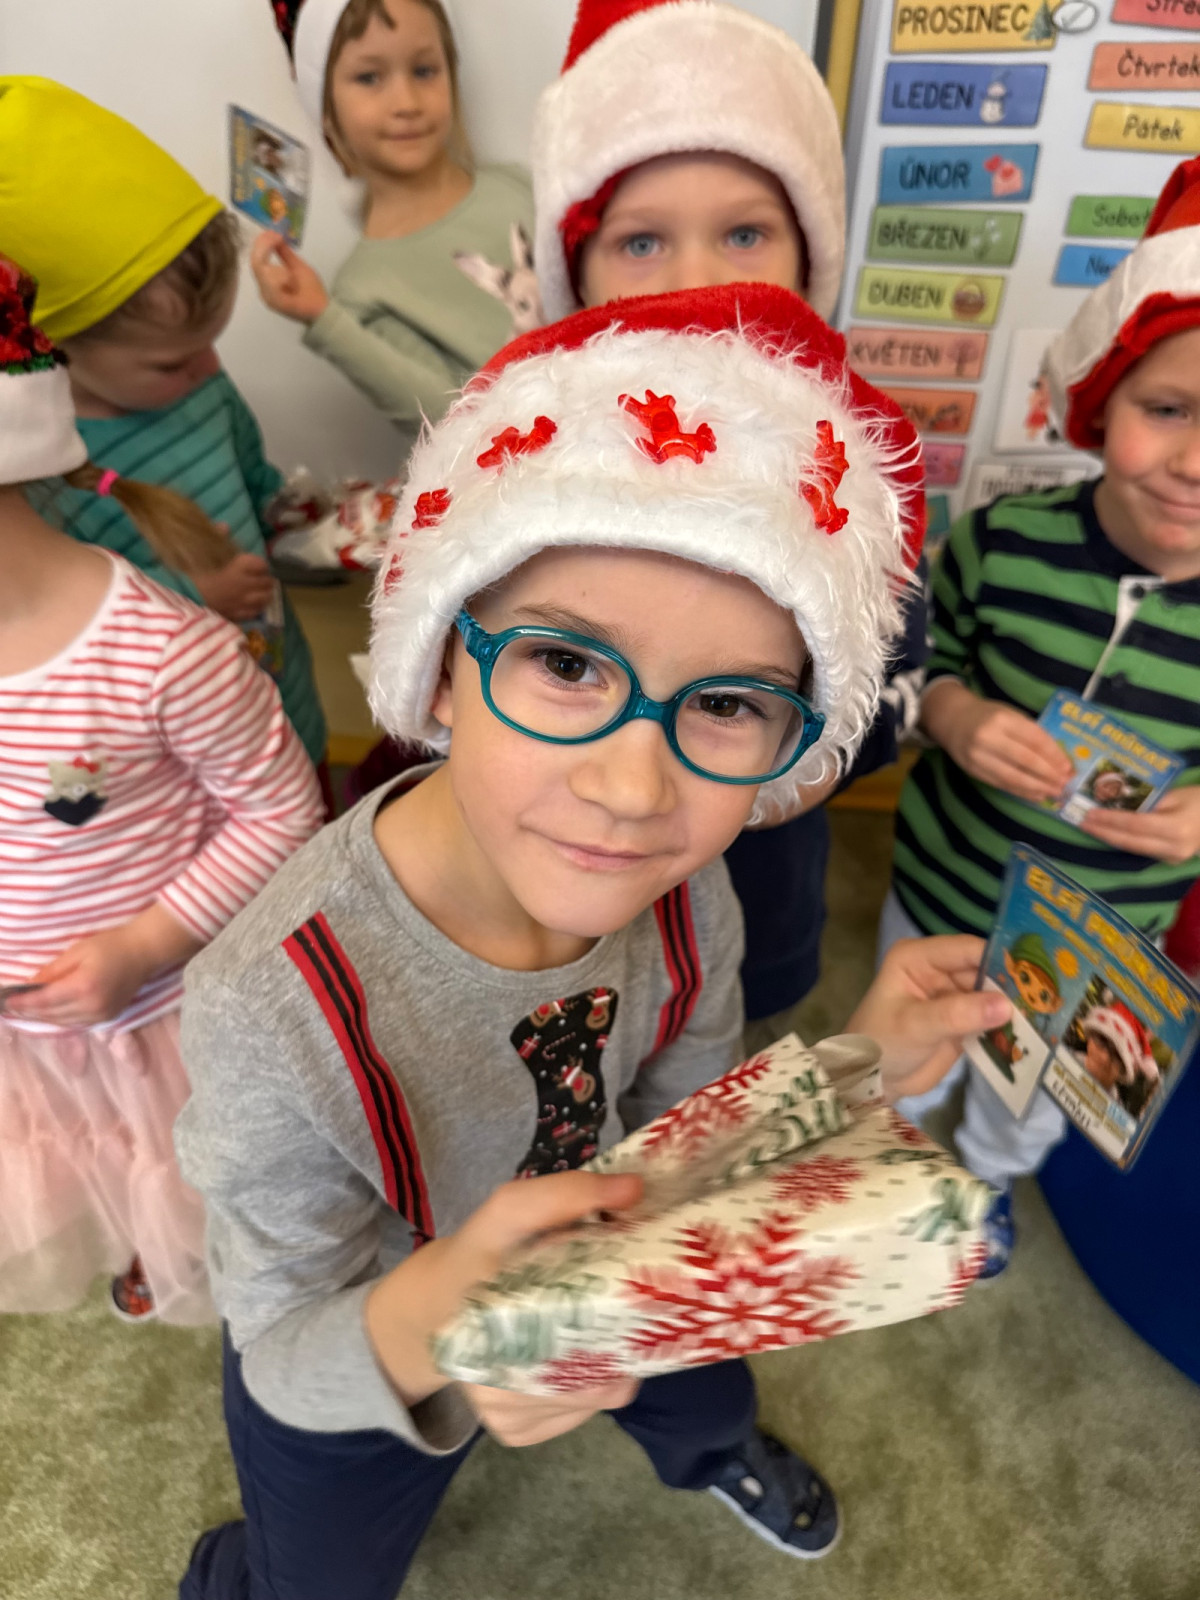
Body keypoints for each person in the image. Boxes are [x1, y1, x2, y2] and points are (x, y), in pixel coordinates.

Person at [175, 282, 1008, 1598]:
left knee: (702, 1385)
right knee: (317, 1574)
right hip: (377, 1331)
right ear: (442, 664)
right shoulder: (266, 1002)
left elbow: (685, 1142)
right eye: (566, 665)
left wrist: (858, 1066)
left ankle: (709, 1452)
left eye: (728, 703)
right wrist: (444, 1309)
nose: (632, 790)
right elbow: (281, 1348)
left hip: (620, 1247)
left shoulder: (688, 893)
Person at [530, 0, 928, 1022]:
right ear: (575, 275)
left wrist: (767, 780)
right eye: (642, 241)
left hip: (756, 896)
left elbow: (889, 682)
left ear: (808, 256)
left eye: (744, 232)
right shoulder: (523, 459)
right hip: (558, 909)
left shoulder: (856, 471)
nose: (698, 282)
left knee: (730, 1068)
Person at [881, 154, 1200, 1275]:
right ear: (1101, 403)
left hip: (1102, 935)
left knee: (1027, 1092)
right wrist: (954, 715)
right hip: (939, 887)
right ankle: (888, 1166)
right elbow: (919, 664)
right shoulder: (1000, 540)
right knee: (903, 1057)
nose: (1193, 464)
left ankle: (984, 1183)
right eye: (1168, 410)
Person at [0, 258, 324, 1326]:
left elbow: (283, 814)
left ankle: (178, 1247)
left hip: (161, 1013)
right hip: (27, 1026)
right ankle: (137, 1235)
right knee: (76, 1155)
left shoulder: (159, 652)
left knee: (186, 1168)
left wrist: (143, 945)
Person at [0, 77, 328, 782]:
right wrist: (198, 602)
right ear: (61, 349)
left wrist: (301, 519)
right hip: (187, 769)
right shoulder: (44, 481)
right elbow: (68, 628)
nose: (211, 369)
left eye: (212, 343)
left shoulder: (204, 389)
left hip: (286, 701)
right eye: (173, 362)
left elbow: (255, 482)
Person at [255, 0, 536, 446]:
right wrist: (323, 319)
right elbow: (446, 422)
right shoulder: (364, 289)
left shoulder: (519, 186)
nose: (406, 103)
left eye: (424, 71)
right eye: (369, 78)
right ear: (326, 109)